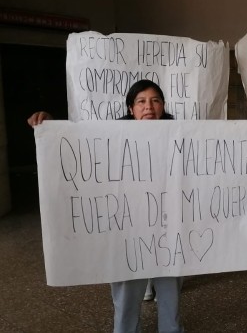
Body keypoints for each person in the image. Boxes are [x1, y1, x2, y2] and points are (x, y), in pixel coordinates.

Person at [29, 80, 184, 333]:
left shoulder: (181, 133)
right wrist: (49, 125)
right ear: (131, 108)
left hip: (167, 229)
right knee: (125, 296)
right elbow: (75, 145)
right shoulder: (110, 135)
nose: (149, 107)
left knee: (170, 291)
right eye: (141, 101)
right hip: (126, 232)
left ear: (163, 105)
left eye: (155, 100)